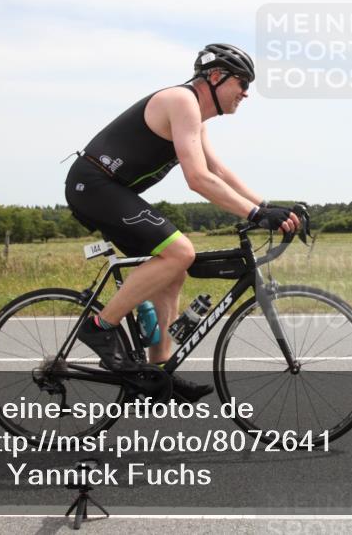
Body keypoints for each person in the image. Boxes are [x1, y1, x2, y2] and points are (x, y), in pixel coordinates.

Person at [65, 43, 300, 402]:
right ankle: (100, 327)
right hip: (93, 186)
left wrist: (269, 206)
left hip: (108, 190)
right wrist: (255, 215)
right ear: (216, 77)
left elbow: (218, 171)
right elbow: (198, 179)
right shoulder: (181, 101)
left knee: (171, 271)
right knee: (180, 252)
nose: (247, 93)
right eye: (242, 82)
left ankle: (155, 377)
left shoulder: (196, 117)